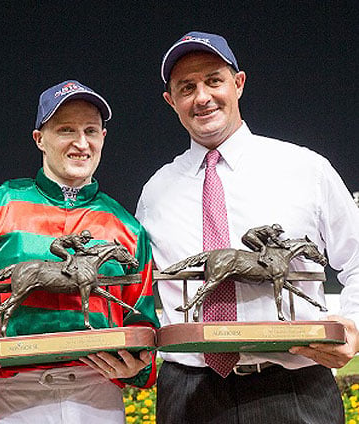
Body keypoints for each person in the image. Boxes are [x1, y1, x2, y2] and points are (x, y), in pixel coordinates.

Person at [136, 31, 359, 423]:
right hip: (187, 392)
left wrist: (354, 326)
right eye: (187, 87)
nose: (201, 96)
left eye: (214, 80)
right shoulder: (155, 192)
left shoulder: (306, 168)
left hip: (294, 387)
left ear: (238, 83)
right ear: (171, 102)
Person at [0, 80, 159, 423]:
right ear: (39, 139)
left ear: (103, 138)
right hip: (15, 396)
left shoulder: (128, 227)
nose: (81, 143)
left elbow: (142, 317)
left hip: (99, 395)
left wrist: (139, 364)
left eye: (91, 130)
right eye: (66, 130)